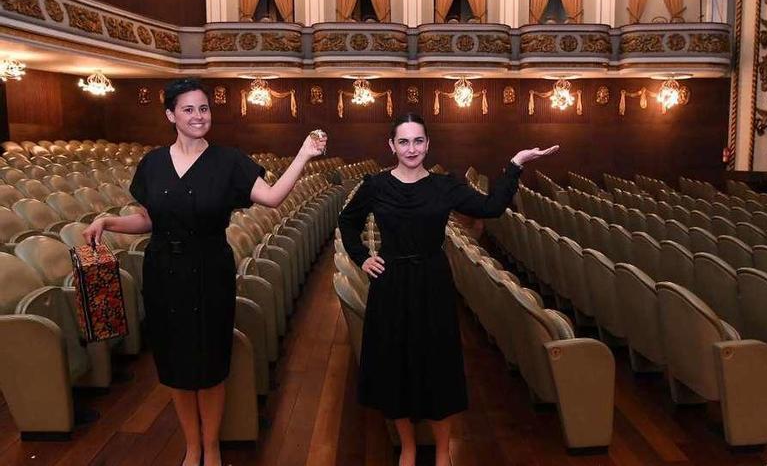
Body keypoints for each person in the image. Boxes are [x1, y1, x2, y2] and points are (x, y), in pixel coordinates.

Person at [82, 78, 326, 466]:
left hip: (210, 270)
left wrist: (303, 154)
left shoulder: (229, 161)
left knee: (210, 364)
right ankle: (191, 446)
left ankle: (210, 448)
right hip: (163, 272)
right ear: (170, 115)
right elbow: (148, 220)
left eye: (204, 108)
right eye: (189, 109)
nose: (199, 116)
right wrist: (109, 222)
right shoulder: (153, 164)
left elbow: (274, 198)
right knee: (176, 364)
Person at [337, 112, 558, 466]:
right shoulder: (375, 185)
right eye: (404, 141)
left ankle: (442, 452)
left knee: (437, 365)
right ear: (391, 145)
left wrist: (516, 164)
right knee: (395, 367)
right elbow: (347, 222)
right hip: (391, 283)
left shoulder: (445, 186)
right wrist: (362, 256)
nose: (412, 148)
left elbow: (491, 206)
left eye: (418, 141)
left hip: (432, 281)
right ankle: (407, 448)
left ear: (428, 144)